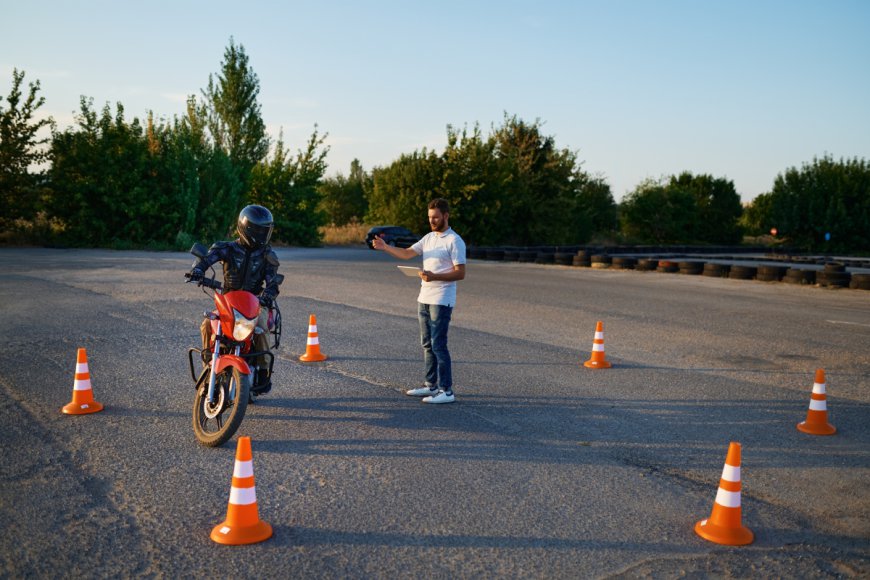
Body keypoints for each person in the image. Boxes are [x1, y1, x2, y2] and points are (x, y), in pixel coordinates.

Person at [373, 198, 466, 404]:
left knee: (438, 345)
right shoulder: (429, 238)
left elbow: (461, 273)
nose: (432, 221)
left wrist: (435, 276)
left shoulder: (454, 241)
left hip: (442, 299)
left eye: (436, 218)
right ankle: (430, 386)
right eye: (430, 218)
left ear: (446, 216)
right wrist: (385, 247)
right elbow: (407, 253)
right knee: (427, 344)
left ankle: (446, 391)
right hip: (424, 297)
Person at [189, 204, 282, 395]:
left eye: (265, 230)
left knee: (261, 327)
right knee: (207, 323)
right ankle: (209, 361)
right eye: (259, 230)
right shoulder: (227, 249)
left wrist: (269, 294)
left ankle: (263, 371)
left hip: (255, 302)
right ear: (247, 228)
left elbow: (272, 280)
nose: (263, 234)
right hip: (229, 301)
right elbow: (208, 258)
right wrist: (198, 269)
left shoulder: (266, 255)